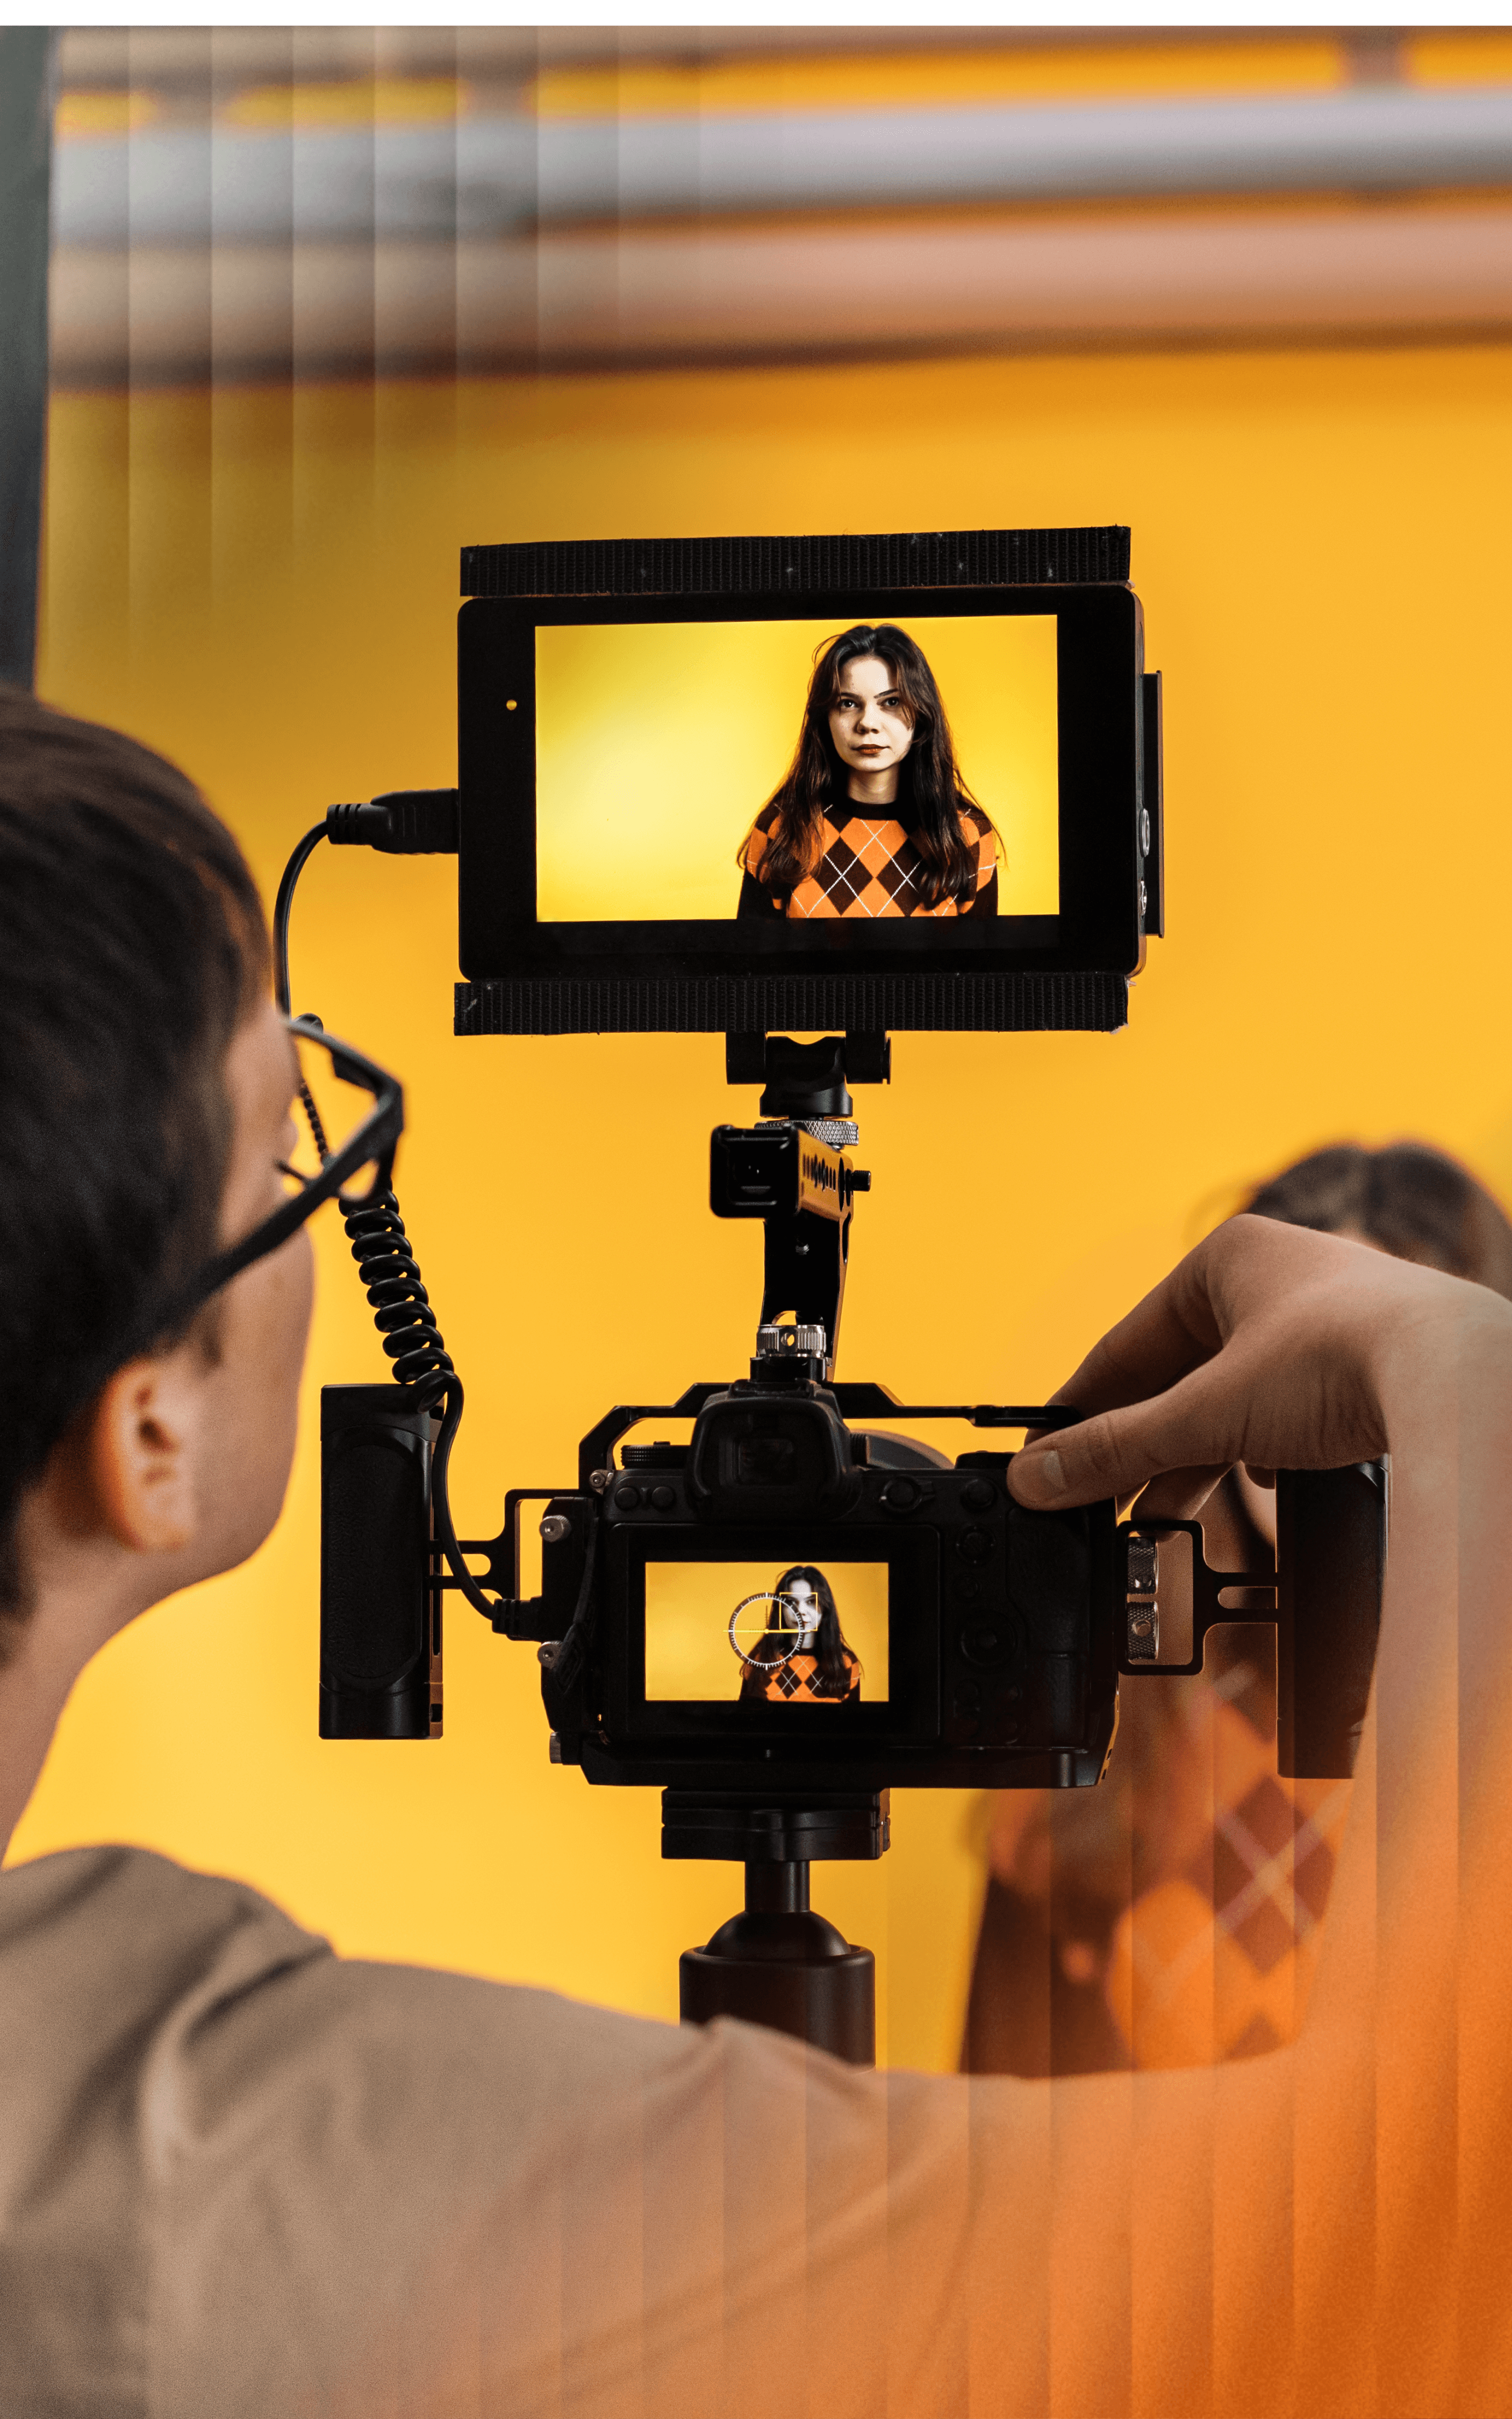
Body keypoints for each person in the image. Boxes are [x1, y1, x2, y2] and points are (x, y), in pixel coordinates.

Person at [4, 679, 1512, 2415]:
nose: (335, 1208)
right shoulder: (213, 2147)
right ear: (148, 1436)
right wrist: (1460, 1369)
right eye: (290, 1145)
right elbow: (1421, 2218)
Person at [962, 1137, 1512, 2081]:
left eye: (1397, 1389)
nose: (1351, 1441)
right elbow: (996, 2150)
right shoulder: (1094, 1748)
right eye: (1320, 1381)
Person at [736, 622, 999, 919]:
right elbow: (751, 964)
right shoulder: (781, 828)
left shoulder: (967, 834)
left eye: (891, 702)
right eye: (848, 703)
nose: (868, 723)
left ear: (922, 713)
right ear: (826, 719)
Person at [736, 1565, 862, 1704]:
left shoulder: (846, 1663)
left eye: (811, 1601)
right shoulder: (760, 1659)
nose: (800, 1611)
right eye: (791, 1602)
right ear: (781, 1608)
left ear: (825, 1606)